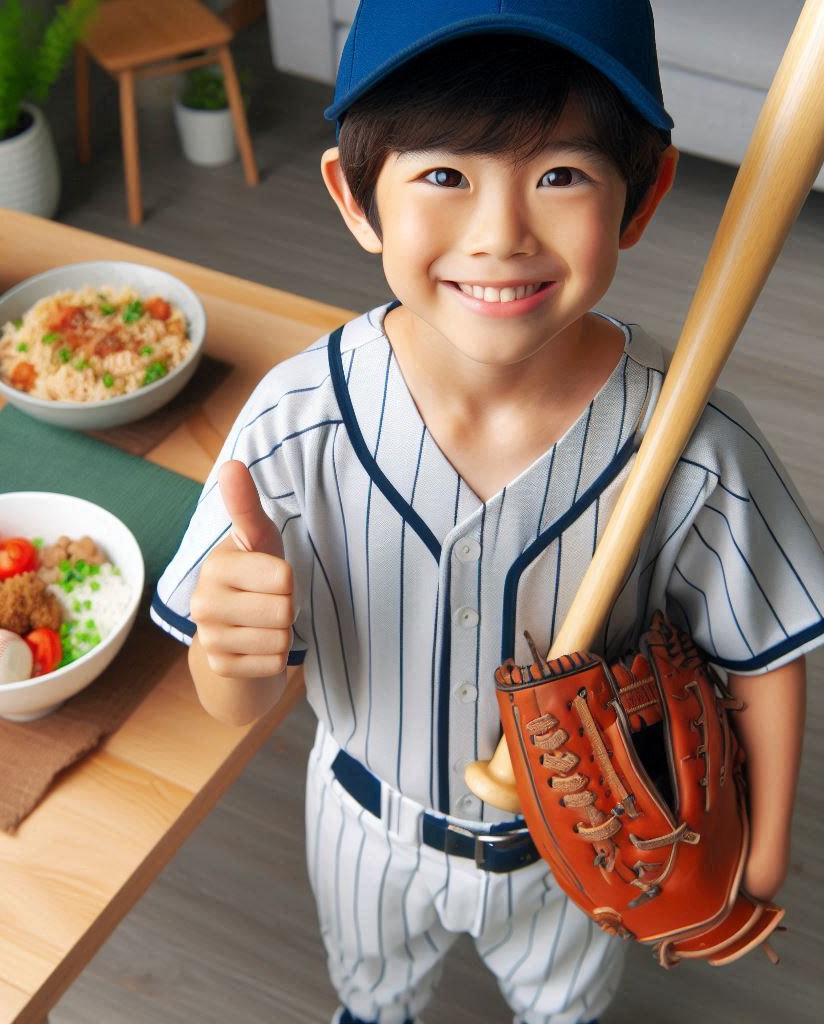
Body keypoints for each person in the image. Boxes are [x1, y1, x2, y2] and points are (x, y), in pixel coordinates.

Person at [151, 2, 824, 1021]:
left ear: (640, 198)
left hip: (578, 847)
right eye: (443, 174)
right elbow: (234, 702)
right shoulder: (293, 425)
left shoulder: (692, 443)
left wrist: (760, 859)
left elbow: (760, 651)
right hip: (361, 821)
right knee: (371, 998)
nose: (500, 231)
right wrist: (225, 662)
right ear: (353, 194)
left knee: (565, 1008)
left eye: (559, 174)